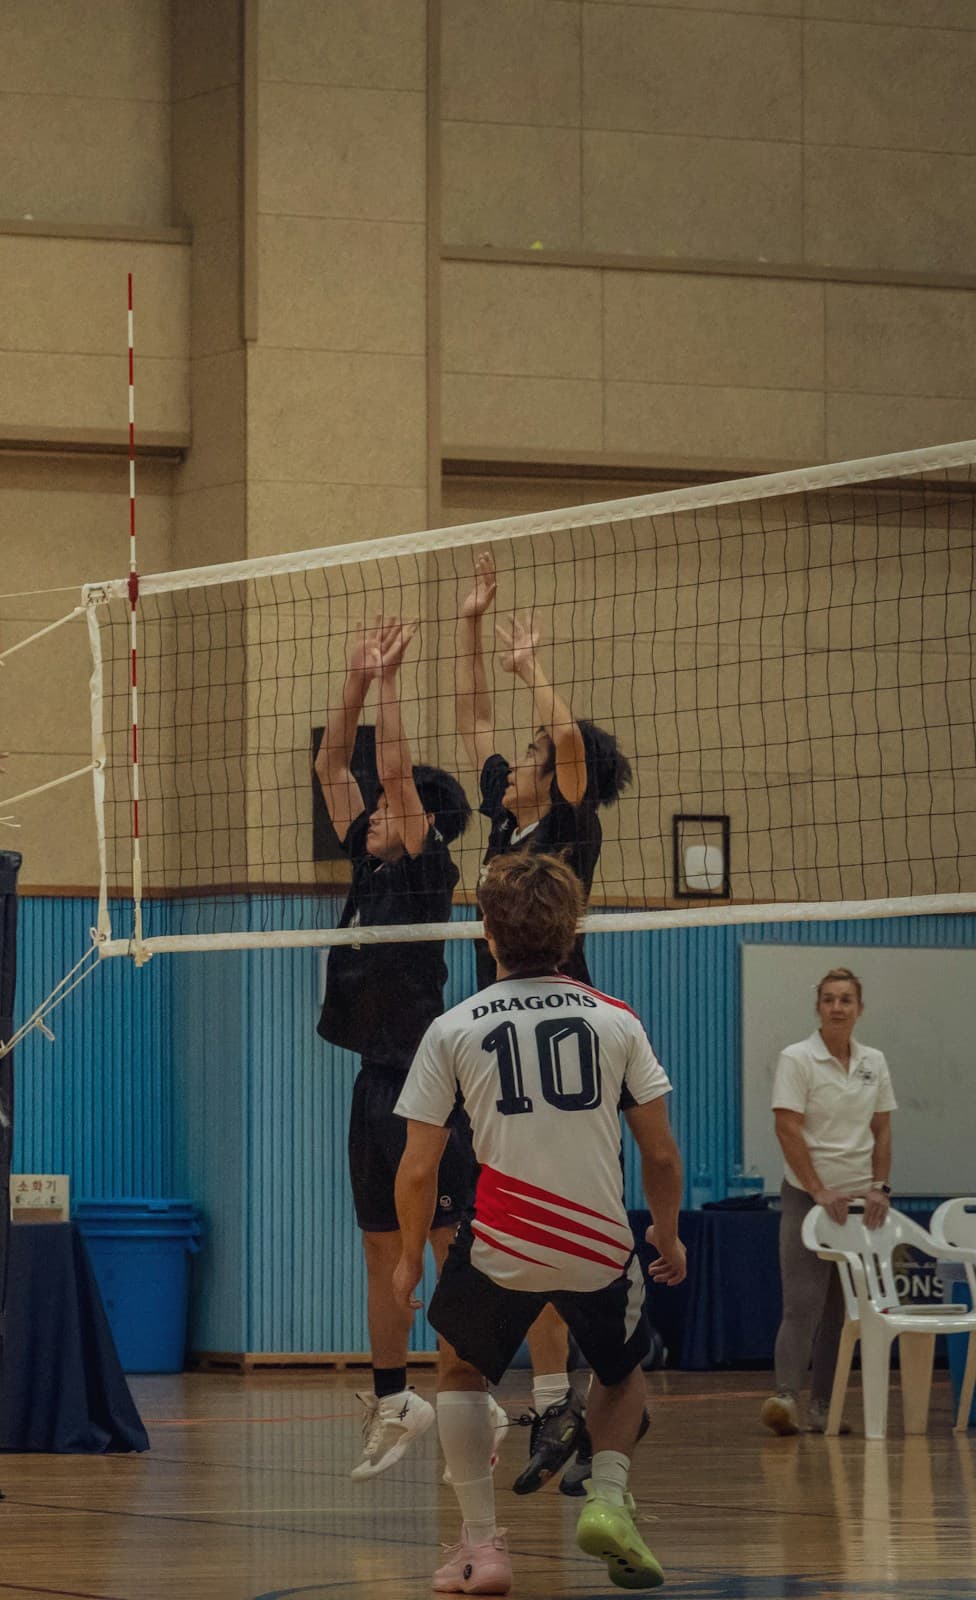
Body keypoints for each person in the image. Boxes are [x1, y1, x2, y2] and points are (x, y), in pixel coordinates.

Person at [394, 852, 687, 1595]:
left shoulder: (453, 1026)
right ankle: (610, 1497)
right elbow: (659, 1150)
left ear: (486, 932)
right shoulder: (617, 1019)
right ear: (573, 931)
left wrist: (405, 1261)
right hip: (597, 1242)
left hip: (501, 1243)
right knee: (621, 1377)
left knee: (459, 1371)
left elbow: (421, 1169)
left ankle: (482, 1549)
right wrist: (667, 1232)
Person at [456, 552, 637, 1494]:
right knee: (515, 1223)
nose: (519, 760)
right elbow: (474, 721)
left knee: (570, 1226)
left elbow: (565, 745)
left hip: (561, 1033)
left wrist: (536, 669)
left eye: (532, 756)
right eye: (524, 759)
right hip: (495, 1041)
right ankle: (557, 1398)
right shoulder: (506, 825)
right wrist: (476, 627)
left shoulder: (570, 825)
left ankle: (583, 1401)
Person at [310, 617, 475, 1480]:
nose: (371, 813)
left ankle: (462, 1408)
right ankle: (392, 1398)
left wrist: (393, 686)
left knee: (446, 1248)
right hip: (374, 1079)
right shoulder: (369, 867)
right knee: (379, 1246)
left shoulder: (424, 863)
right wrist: (353, 681)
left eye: (387, 809)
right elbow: (331, 767)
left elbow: (392, 775)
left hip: (429, 1082)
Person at [765, 967, 894, 1437]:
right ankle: (785, 1398)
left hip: (859, 1205)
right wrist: (818, 1190)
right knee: (803, 1304)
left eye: (845, 999)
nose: (837, 1007)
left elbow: (881, 1129)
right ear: (817, 1006)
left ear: (859, 1008)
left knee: (846, 1312)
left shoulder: (874, 1061)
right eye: (828, 999)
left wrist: (880, 1186)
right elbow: (786, 1127)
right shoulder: (796, 1058)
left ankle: (826, 1405)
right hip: (809, 1199)